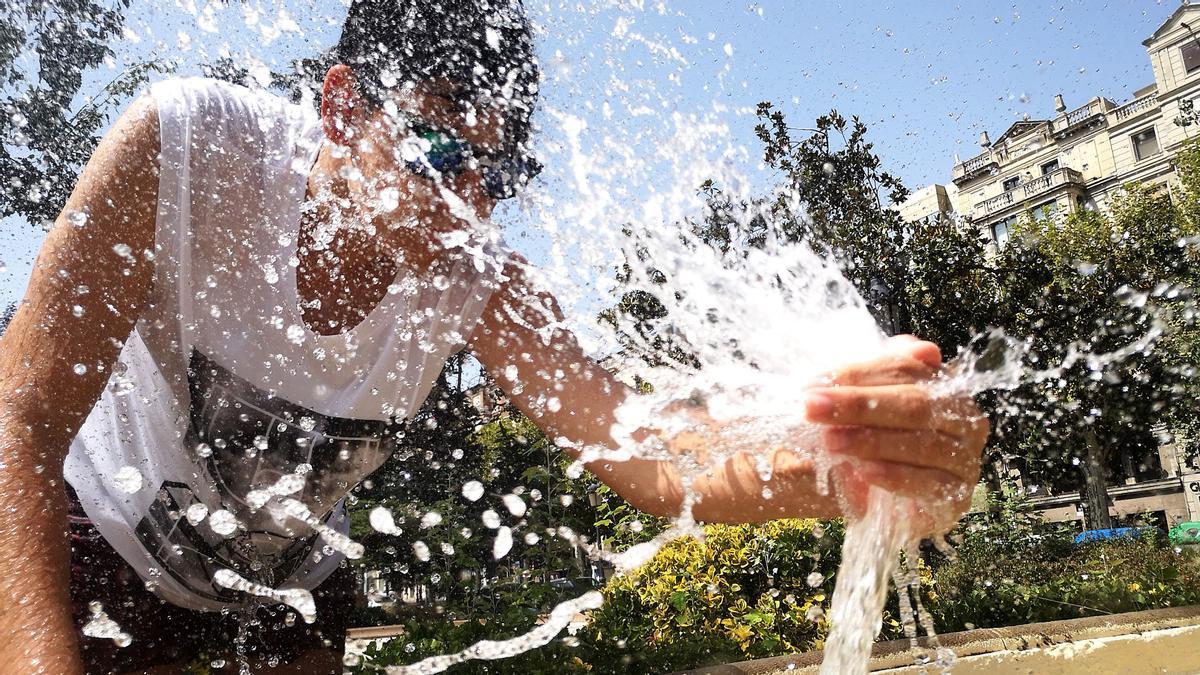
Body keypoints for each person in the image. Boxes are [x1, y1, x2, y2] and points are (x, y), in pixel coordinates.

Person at [0, 0, 989, 672]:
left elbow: (648, 456)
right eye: (435, 147)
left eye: (497, 171)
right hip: (97, 558)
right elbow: (21, 427)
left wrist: (850, 470)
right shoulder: (192, 151)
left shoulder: (474, 271)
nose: (465, 202)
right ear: (343, 108)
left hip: (283, 595)